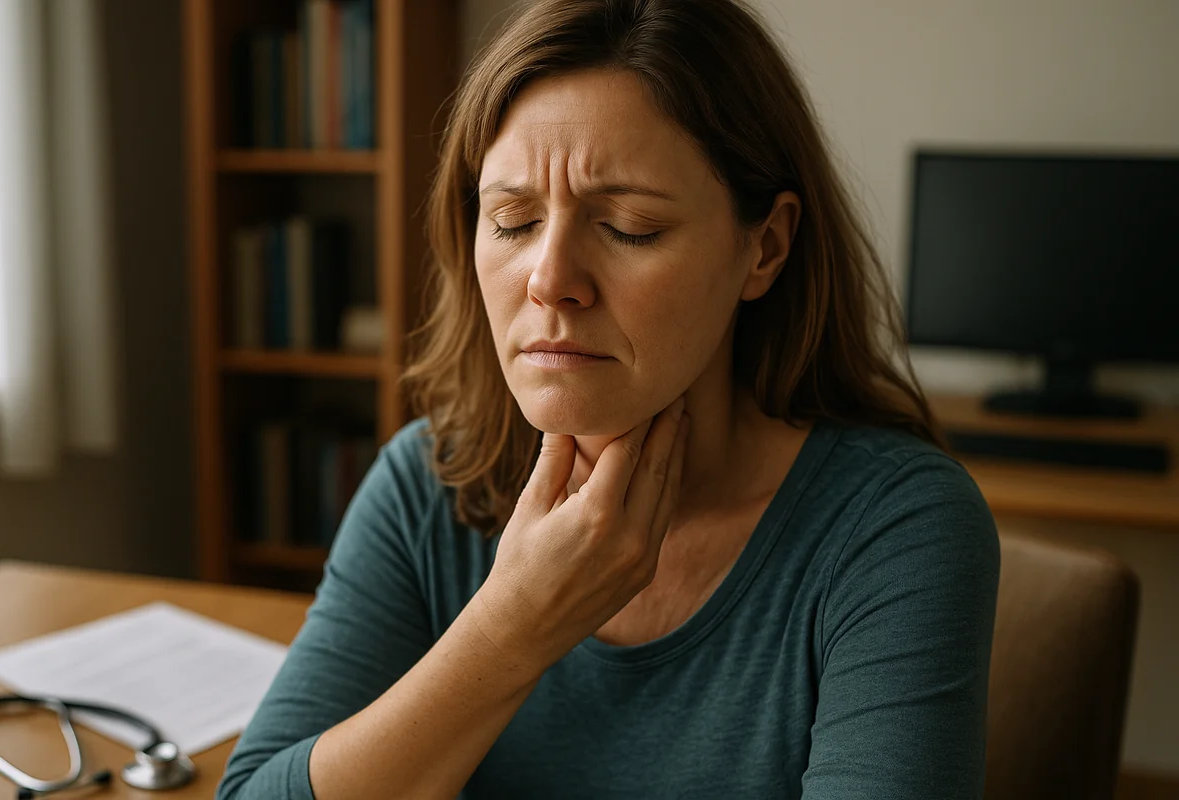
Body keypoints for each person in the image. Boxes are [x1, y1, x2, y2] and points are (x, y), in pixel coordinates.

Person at [216, 1, 999, 798]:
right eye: (512, 219)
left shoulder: (894, 527)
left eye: (628, 227)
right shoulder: (426, 485)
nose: (549, 279)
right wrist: (512, 628)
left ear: (764, 247)